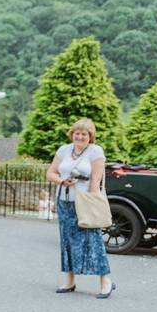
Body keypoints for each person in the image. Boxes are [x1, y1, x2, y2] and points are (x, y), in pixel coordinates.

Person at [46, 118, 115, 299]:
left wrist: (91, 204)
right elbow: (51, 172)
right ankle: (70, 280)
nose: (80, 136)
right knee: (67, 240)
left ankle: (105, 281)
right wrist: (62, 180)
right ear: (72, 134)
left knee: (93, 239)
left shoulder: (95, 151)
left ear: (90, 136)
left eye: (84, 134)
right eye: (77, 133)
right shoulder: (64, 150)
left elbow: (96, 180)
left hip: (84, 202)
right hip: (64, 201)